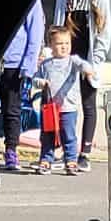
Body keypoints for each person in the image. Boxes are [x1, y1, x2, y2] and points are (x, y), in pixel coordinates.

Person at [51, 0, 110, 172]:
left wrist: (95, 63)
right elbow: (58, 25)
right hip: (66, 61)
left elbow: (105, 32)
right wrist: (55, 54)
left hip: (87, 60)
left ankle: (84, 153)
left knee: (88, 105)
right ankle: (67, 151)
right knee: (65, 107)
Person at [33, 25, 97, 177]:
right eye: (60, 44)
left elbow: (84, 65)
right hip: (49, 108)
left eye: (67, 43)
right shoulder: (46, 64)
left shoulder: (73, 61)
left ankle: (71, 160)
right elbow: (35, 79)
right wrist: (40, 83)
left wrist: (88, 71)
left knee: (68, 135)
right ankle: (46, 160)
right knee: (47, 135)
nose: (64, 47)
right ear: (51, 45)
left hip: (68, 108)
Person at [0, 0, 45, 172]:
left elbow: (35, 32)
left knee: (12, 110)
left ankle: (11, 150)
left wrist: (28, 67)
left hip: (15, 64)